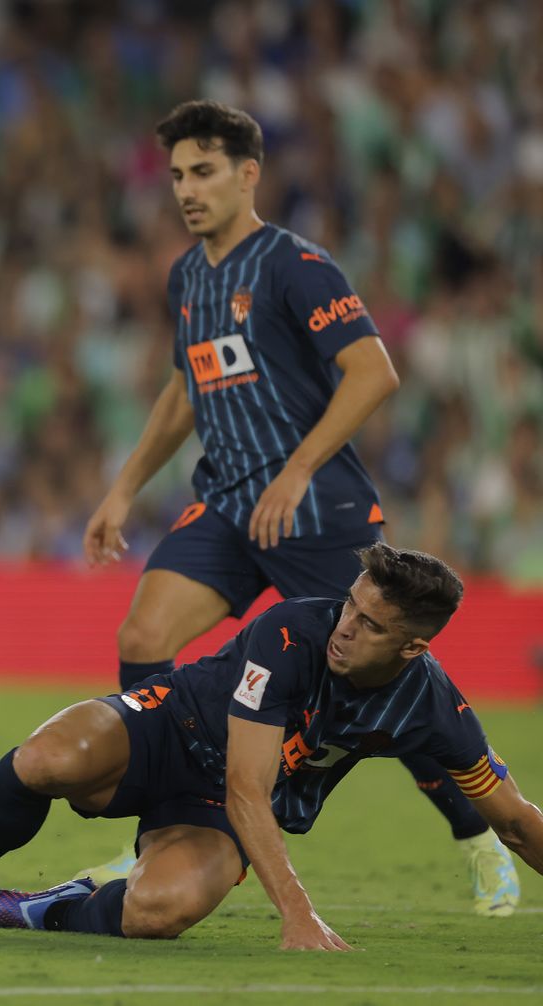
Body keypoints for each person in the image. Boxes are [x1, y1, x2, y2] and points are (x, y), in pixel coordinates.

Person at [78, 100, 519, 913]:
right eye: (177, 175)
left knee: (389, 686)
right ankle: (164, 828)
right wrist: (124, 486)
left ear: (249, 174)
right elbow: (183, 389)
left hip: (318, 509)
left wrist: (297, 470)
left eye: (203, 171)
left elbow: (374, 372)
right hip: (229, 504)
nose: (186, 190)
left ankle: (480, 834)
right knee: (141, 637)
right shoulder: (187, 277)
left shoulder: (296, 265)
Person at [0, 543, 543, 947]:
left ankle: (47, 908)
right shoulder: (292, 632)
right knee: (47, 758)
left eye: (371, 625)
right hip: (165, 730)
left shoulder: (432, 707)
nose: (346, 627)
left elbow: (512, 820)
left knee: (160, 911)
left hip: (212, 807)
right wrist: (298, 914)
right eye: (350, 605)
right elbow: (248, 787)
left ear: (413, 647)